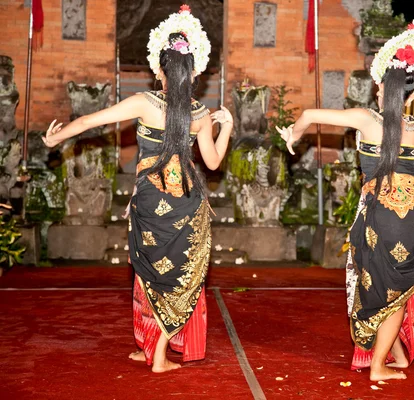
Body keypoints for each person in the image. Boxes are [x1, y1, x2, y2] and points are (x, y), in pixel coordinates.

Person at [43, 5, 233, 373]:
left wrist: (55, 139)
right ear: (193, 72)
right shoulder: (200, 115)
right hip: (186, 204)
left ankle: (158, 356)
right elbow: (212, 163)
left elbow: (88, 121)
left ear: (158, 70)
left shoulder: (142, 103)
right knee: (173, 274)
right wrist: (226, 127)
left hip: (150, 201)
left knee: (149, 271)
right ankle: (153, 348)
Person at [277, 22, 414, 381]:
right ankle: (391, 355)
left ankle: (378, 366)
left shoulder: (363, 119)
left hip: (378, 217)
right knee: (400, 289)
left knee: (377, 283)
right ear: (412, 94)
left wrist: (293, 135)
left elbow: (310, 115)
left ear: (380, 88)